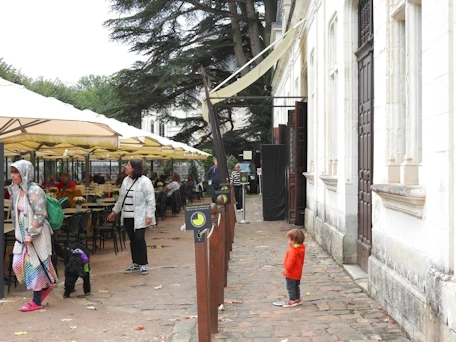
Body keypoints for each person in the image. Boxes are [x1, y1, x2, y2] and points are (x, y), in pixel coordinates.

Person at [9, 160, 57, 312]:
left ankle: (36, 300)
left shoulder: (34, 190)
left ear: (25, 173)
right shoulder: (17, 189)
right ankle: (44, 288)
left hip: (35, 234)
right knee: (17, 264)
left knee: (34, 266)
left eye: (16, 172)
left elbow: (40, 214)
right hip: (22, 235)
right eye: (12, 172)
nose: (13, 175)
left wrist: (32, 234)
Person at [108, 160, 156, 275]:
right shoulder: (125, 181)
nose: (126, 167)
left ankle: (143, 263)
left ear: (134, 168)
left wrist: (149, 215)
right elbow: (121, 199)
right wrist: (114, 211)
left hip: (140, 216)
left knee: (139, 238)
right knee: (132, 240)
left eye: (128, 165)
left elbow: (150, 200)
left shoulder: (145, 181)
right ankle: (135, 263)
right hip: (127, 215)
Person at [281, 229, 306, 308]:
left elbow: (290, 261)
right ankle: (297, 298)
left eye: (289, 239)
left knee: (290, 287)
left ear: (293, 241)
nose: (288, 241)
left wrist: (286, 269)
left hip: (291, 272)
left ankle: (292, 300)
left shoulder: (292, 250)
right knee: (296, 286)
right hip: (298, 272)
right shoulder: (301, 249)